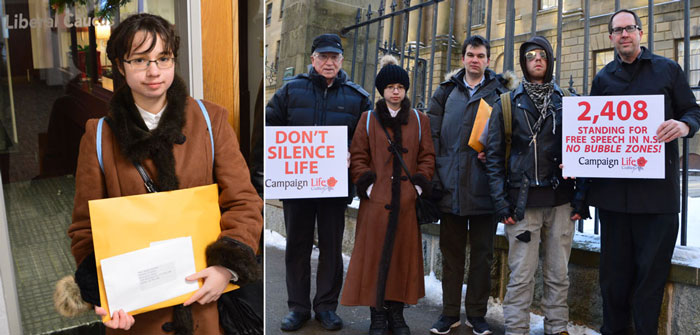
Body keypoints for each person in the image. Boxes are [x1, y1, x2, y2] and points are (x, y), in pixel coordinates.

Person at [60, 13, 263, 333]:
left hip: (206, 305)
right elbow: (85, 228)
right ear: (120, 65)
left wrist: (226, 268)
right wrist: (106, 293)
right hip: (138, 314)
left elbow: (244, 202)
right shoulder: (99, 136)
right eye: (140, 60)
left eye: (163, 58)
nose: (154, 71)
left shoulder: (211, 121)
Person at [589, 9, 700, 334]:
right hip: (614, 201)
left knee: (650, 282)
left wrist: (683, 125)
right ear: (611, 37)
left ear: (640, 32)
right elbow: (592, 131)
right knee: (613, 280)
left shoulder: (668, 70)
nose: (624, 34)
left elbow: (693, 110)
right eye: (617, 30)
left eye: (629, 28)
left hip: (657, 201)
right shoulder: (602, 78)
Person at [266, 33, 372, 331]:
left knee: (331, 246)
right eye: (323, 57)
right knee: (297, 246)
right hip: (296, 185)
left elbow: (368, 141)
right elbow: (269, 127)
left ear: (341, 61)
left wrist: (353, 153)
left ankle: (326, 307)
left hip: (334, 186)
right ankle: (297, 307)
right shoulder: (290, 91)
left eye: (334, 57)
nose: (329, 62)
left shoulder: (357, 97)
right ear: (312, 59)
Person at [484, 36, 588, 335]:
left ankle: (557, 328)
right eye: (530, 56)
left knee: (558, 273)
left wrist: (581, 197)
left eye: (542, 54)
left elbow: (583, 151)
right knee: (522, 275)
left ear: (550, 59)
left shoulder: (568, 102)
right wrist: (501, 203)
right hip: (522, 202)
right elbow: (493, 158)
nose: (537, 59)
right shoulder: (506, 103)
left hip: (561, 201)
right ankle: (517, 329)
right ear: (524, 63)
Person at [341, 54, 435, 335]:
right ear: (382, 90)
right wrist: (368, 186)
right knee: (374, 259)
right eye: (391, 87)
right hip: (376, 203)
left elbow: (427, 156)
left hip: (406, 204)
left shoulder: (420, 120)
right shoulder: (367, 119)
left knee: (401, 260)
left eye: (401, 87)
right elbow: (358, 156)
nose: (396, 91)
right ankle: (377, 315)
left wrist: (417, 186)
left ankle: (397, 314)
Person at [427, 35, 513, 335]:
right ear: (462, 58)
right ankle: (449, 312)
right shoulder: (445, 92)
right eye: (470, 55)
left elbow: (513, 140)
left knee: (482, 256)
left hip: (485, 188)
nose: (475, 60)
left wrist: (496, 153)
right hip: (450, 186)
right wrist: (435, 178)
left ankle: (477, 315)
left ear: (488, 60)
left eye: (480, 55)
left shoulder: (501, 93)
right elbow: (432, 138)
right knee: (451, 256)